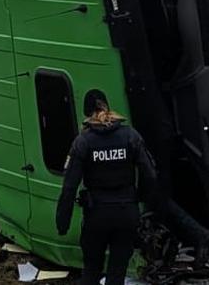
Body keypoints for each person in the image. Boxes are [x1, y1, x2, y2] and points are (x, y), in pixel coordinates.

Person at [56, 94, 157, 285]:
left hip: (96, 215)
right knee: (117, 275)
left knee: (91, 272)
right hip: (126, 213)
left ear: (87, 113)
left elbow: (69, 187)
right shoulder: (130, 136)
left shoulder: (83, 142)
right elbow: (150, 175)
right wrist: (139, 199)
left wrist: (63, 222)